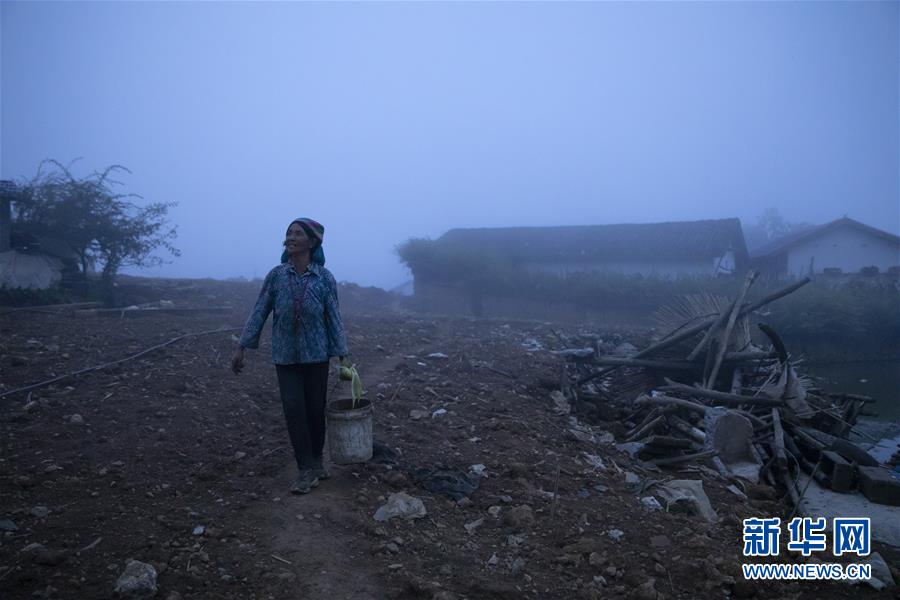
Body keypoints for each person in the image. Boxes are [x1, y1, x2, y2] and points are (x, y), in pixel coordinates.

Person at [231, 217, 349, 494]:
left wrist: (343, 355)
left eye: (297, 234)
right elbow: (260, 310)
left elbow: (334, 318)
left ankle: (317, 460)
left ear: (312, 241)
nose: (291, 238)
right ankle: (305, 469)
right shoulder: (276, 276)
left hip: (317, 356)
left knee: (314, 411)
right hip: (285, 356)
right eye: (288, 233)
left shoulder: (324, 278)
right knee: (294, 410)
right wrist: (241, 347)